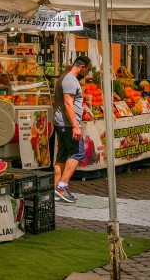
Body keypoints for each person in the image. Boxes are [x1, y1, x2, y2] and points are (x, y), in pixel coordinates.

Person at [52, 56, 91, 204]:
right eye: (88, 69)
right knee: (78, 152)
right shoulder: (70, 80)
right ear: (81, 67)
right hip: (67, 124)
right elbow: (68, 104)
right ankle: (62, 186)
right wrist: (75, 125)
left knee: (62, 155)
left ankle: (56, 189)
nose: (87, 73)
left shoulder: (65, 77)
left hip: (61, 123)